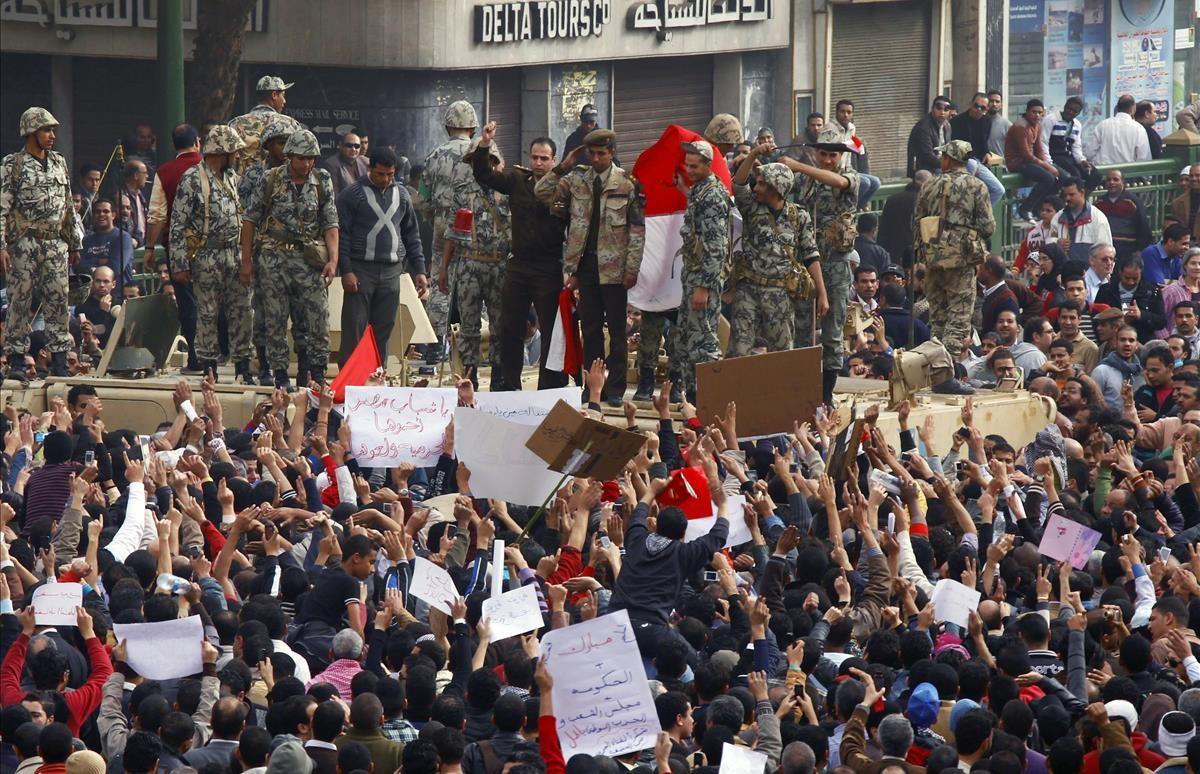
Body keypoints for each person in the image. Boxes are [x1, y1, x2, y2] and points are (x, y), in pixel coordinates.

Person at [535, 128, 644, 406]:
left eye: (601, 153)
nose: (595, 159)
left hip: (615, 266)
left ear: (612, 153)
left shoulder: (627, 184)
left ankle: (616, 388)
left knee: (617, 330)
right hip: (585, 265)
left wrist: (632, 268)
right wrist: (564, 165)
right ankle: (591, 386)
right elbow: (541, 191)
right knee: (590, 328)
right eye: (591, 153)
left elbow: (636, 230)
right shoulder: (575, 180)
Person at [470, 122, 567, 392]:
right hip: (519, 264)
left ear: (553, 160)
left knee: (550, 329)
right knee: (510, 326)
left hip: (549, 266)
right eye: (534, 157)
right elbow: (485, 176)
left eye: (544, 158)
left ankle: (550, 385)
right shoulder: (517, 180)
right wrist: (485, 143)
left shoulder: (564, 185)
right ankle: (509, 385)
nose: (538, 162)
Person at [241, 129, 339, 388]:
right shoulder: (270, 179)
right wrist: (247, 261)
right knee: (275, 318)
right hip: (274, 258)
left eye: (311, 159)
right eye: (301, 159)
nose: (307, 164)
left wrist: (332, 260)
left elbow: (330, 223)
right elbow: (250, 221)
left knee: (317, 317)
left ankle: (316, 373)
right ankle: (280, 374)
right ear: (289, 157)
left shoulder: (322, 180)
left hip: (309, 260)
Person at [1, 107, 82, 383]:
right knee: (19, 301)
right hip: (24, 242)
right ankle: (17, 360)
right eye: (46, 130)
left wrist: (74, 242)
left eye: (52, 130)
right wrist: (2, 244)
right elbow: (2, 207)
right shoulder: (14, 164)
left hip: (55, 242)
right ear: (31, 133)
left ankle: (60, 360)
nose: (52, 135)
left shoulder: (59, 162)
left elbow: (68, 205)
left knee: (59, 301)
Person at [170, 126, 253, 383]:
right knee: (207, 313)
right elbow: (177, 224)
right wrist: (179, 264)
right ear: (222, 152)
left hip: (233, 253)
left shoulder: (230, 177)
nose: (238, 156)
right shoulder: (193, 179)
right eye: (234, 152)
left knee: (242, 310)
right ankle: (209, 365)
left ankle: (243, 365)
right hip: (206, 256)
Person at [912, 140, 994, 394]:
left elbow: (917, 222)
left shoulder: (930, 184)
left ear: (947, 159)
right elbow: (988, 225)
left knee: (938, 317)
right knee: (959, 317)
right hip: (962, 260)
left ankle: (934, 370)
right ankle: (943, 375)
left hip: (933, 256)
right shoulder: (976, 185)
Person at [785, 128, 860, 403]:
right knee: (802, 328)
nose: (828, 160)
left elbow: (838, 182)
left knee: (833, 330)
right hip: (806, 265)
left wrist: (798, 166)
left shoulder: (850, 176)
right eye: (823, 154)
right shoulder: (804, 179)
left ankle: (826, 393)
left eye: (833, 155)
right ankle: (803, 389)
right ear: (816, 152)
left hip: (836, 265)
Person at [335, 148, 426, 367]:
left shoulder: (403, 195)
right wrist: (346, 270)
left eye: (390, 174)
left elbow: (411, 234)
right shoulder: (351, 195)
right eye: (380, 174)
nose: (385, 179)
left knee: (384, 329)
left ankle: (377, 376)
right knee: (354, 329)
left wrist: (420, 270)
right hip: (360, 270)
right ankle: (350, 381)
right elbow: (342, 236)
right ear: (370, 169)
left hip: (392, 270)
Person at [727, 159, 818, 359]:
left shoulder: (799, 216)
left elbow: (811, 255)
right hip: (748, 290)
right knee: (738, 352)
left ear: (776, 189)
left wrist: (823, 294)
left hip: (780, 294)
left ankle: (780, 391)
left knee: (783, 354)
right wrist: (755, 153)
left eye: (761, 184)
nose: (756, 188)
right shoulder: (751, 208)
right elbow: (738, 183)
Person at [440, 139, 510, 390]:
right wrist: (444, 270)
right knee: (468, 325)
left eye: (488, 161)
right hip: (469, 263)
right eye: (475, 161)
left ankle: (499, 376)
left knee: (500, 324)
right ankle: (470, 376)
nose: (481, 165)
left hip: (499, 265)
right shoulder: (462, 191)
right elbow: (451, 233)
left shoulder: (506, 189)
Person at [667, 139, 729, 403]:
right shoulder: (702, 190)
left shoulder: (713, 195)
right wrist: (684, 189)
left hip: (704, 280)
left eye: (694, 166)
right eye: (687, 165)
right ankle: (692, 395)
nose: (689, 170)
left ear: (708, 164)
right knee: (687, 338)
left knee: (703, 342)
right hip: (693, 277)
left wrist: (704, 286)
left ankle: (708, 396)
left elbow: (716, 246)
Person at [142, 123, 204, 374]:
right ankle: (219, 354)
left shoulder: (165, 172)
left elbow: (157, 214)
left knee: (188, 304)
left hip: (178, 250)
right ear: (198, 142)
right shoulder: (209, 166)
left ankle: (196, 358)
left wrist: (149, 247)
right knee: (213, 300)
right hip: (213, 247)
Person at [420, 100, 478, 362]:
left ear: (447, 127)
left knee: (440, 283)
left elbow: (422, 199)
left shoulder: (434, 155)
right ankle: (473, 344)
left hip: (443, 228)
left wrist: (437, 218)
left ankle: (435, 343)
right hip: (476, 230)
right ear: (473, 127)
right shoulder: (482, 152)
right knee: (473, 283)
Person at [239, 119, 295, 384]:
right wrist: (247, 258)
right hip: (263, 252)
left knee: (295, 315)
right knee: (263, 314)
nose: (285, 149)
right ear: (269, 145)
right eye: (281, 143)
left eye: (288, 143)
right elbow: (246, 215)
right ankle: (264, 366)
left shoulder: (300, 173)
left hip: (294, 255)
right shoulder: (254, 174)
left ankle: (297, 368)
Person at [228, 75, 303, 175]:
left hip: (242, 185)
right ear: (274, 95)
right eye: (283, 95)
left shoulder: (235, 123)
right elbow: (301, 157)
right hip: (278, 187)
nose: (284, 101)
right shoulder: (290, 124)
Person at [1005, 99, 1060, 221]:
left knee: (1061, 177)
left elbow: (1039, 149)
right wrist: (1047, 167)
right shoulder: (1021, 126)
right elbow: (1026, 155)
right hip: (1017, 162)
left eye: (1040, 113)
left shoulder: (1037, 126)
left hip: (1029, 161)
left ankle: (1039, 207)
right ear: (1027, 112)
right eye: (1034, 112)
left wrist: (1048, 163)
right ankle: (1026, 208)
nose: (1037, 115)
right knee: (1048, 178)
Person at [1094, 254, 1166, 342]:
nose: (1131, 282)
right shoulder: (1106, 290)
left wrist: (1141, 315)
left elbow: (1161, 321)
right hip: (1111, 341)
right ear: (1120, 272)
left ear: (1141, 273)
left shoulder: (1152, 291)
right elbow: (1095, 317)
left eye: (1135, 278)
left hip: (1141, 342)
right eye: (1127, 278)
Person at [1040, 97, 1101, 191]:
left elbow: (1076, 146)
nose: (1071, 112)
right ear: (1065, 107)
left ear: (1078, 113)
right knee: (1076, 175)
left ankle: (1082, 199)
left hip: (1070, 157)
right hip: (1055, 156)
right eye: (1069, 109)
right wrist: (1048, 163)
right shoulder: (1051, 119)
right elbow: (1043, 142)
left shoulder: (1077, 125)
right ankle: (1073, 199)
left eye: (1075, 111)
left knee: (1095, 175)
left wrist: (1081, 160)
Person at [1092, 169, 1154, 260]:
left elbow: (1143, 227)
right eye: (1108, 180)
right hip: (1105, 253)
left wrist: (1140, 250)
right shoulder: (1099, 203)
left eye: (1115, 179)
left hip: (1129, 252)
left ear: (1123, 182)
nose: (1111, 182)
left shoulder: (1133, 202)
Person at [1047, 177, 1112, 264]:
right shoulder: (1058, 217)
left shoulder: (1098, 217)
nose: (1067, 198)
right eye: (1065, 195)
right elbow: (1049, 242)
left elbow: (1107, 251)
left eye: (1071, 194)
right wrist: (1056, 244)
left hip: (1088, 274)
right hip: (1063, 273)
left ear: (1082, 192)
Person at [78, 199, 135, 297]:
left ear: (113, 215)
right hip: (91, 297)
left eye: (106, 211)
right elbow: (78, 266)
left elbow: (116, 267)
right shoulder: (86, 240)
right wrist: (100, 261)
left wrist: (91, 266)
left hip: (118, 296)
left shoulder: (123, 237)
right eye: (97, 212)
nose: (101, 214)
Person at [878, 170, 931, 265]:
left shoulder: (892, 199)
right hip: (914, 253)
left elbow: (883, 228)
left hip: (892, 250)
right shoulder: (923, 202)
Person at [1084, 95, 1151, 166]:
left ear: (1118, 107)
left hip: (1104, 172)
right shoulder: (1139, 128)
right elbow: (1143, 158)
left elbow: (1089, 153)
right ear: (1133, 108)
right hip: (1128, 174)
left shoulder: (1102, 125)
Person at [1091, 324, 1144, 409]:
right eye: (1123, 340)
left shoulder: (1141, 373)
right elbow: (1093, 404)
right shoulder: (1101, 371)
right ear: (1115, 343)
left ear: (1137, 345)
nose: (1127, 344)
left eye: (1131, 340)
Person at [906, 96, 951, 178]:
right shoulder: (923, 127)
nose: (942, 112)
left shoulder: (947, 126)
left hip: (940, 165)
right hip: (925, 167)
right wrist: (947, 165)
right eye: (939, 108)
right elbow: (927, 156)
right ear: (932, 109)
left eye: (946, 110)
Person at [949, 92, 993, 161]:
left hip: (979, 159)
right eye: (976, 106)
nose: (979, 109)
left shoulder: (987, 121)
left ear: (987, 109)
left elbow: (984, 142)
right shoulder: (957, 121)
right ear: (970, 104)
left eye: (983, 107)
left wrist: (987, 153)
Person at [1170, 164, 1200, 240]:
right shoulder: (1177, 203)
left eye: (1198, 175)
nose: (1194, 178)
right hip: (1187, 244)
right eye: (1191, 176)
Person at [985, 88, 1011, 157]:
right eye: (991, 101)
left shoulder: (1007, 125)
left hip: (999, 165)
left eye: (997, 101)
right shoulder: (978, 121)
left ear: (1001, 104)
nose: (994, 104)